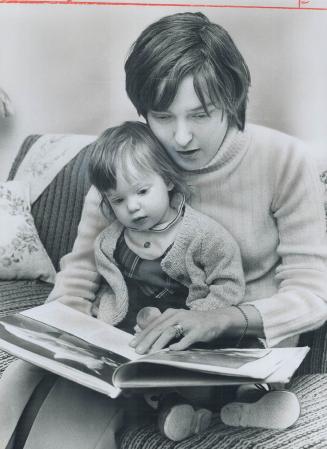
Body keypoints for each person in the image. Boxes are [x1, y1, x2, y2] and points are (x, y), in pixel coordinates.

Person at [1, 11, 326, 449]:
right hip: (128, 346)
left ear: (232, 97)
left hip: (230, 361)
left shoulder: (286, 160)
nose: (181, 137)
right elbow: (78, 272)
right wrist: (62, 339)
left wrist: (221, 319)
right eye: (161, 116)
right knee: (24, 399)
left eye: (201, 114)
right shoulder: (129, 163)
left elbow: (313, 293)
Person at [87, 120, 245, 440]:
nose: (132, 206)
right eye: (118, 200)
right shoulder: (110, 242)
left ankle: (246, 401)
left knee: (203, 378)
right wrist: (97, 320)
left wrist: (197, 319)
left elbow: (229, 285)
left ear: (168, 181)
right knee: (126, 388)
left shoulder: (202, 235)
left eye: (142, 191)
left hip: (187, 338)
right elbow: (109, 288)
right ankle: (178, 411)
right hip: (136, 345)